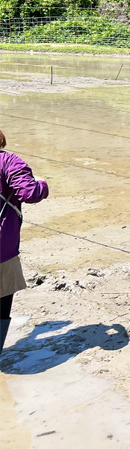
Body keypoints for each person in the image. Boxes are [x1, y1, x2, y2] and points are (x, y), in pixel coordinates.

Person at [1, 129, 50, 358]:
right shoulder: (8, 161)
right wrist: (42, 184)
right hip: (2, 249)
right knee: (1, 305)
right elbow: (30, 193)